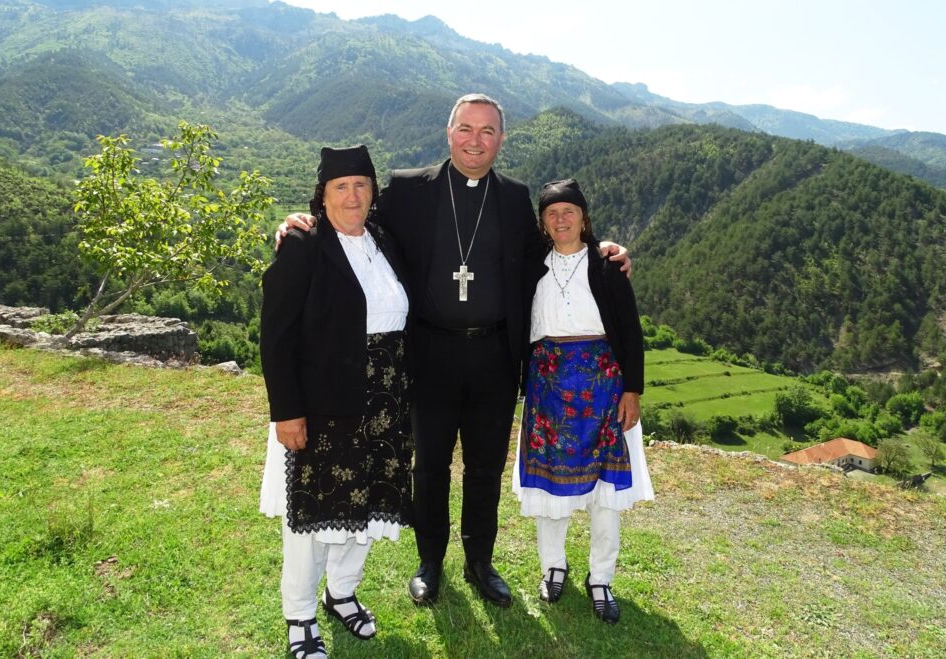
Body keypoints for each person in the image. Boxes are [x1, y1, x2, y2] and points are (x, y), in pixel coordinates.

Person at [277, 93, 631, 609]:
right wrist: (299, 220)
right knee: (430, 467)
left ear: (501, 139)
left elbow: (551, 248)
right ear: (449, 133)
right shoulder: (408, 188)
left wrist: (603, 251)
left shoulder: (513, 196)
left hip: (494, 356)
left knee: (485, 468)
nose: (475, 141)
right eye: (466, 129)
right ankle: (430, 562)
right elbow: (354, 221)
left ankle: (480, 562)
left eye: (487, 131)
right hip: (429, 353)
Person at [259, 145, 413, 658]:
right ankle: (300, 615)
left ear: (373, 192)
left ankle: (342, 592)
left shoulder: (384, 239)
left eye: (361, 185)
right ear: (321, 196)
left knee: (364, 505)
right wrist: (286, 412)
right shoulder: (304, 245)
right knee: (312, 516)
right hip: (324, 406)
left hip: (385, 402)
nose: (352, 196)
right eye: (340, 187)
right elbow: (276, 336)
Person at [513, 178, 653, 624]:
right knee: (548, 485)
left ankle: (601, 578)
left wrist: (632, 391)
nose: (560, 220)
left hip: (604, 389)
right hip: (548, 389)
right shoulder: (529, 266)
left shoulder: (607, 266)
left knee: (606, 493)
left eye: (568, 212)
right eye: (551, 214)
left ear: (584, 218)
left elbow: (629, 331)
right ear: (543, 223)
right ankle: (553, 567)